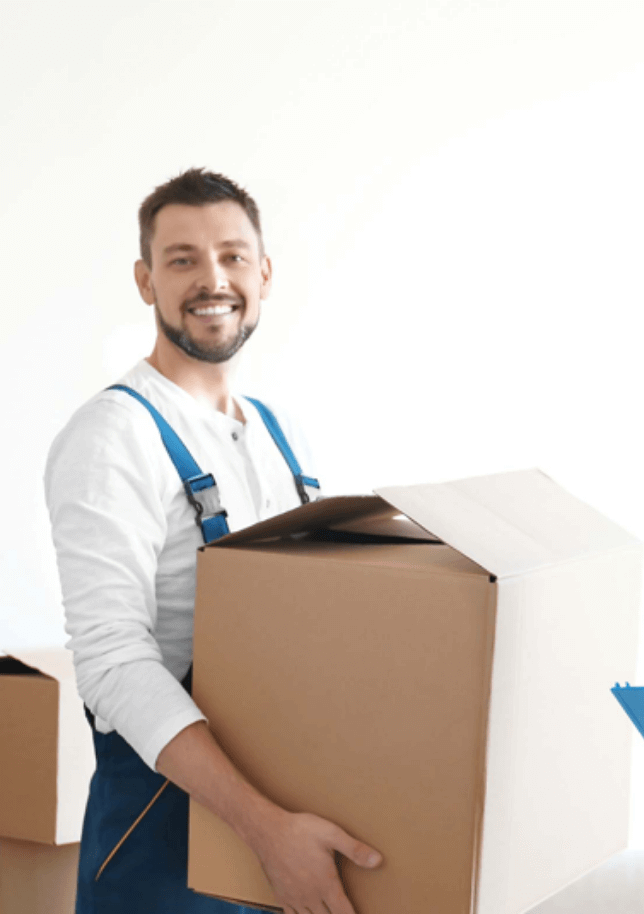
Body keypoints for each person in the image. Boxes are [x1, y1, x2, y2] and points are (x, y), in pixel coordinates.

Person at [45, 168, 382, 914]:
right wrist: (263, 830)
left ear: (263, 273)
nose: (212, 279)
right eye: (182, 259)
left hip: (287, 828)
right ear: (145, 280)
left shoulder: (276, 432)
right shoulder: (114, 437)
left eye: (232, 256)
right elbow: (111, 663)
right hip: (165, 843)